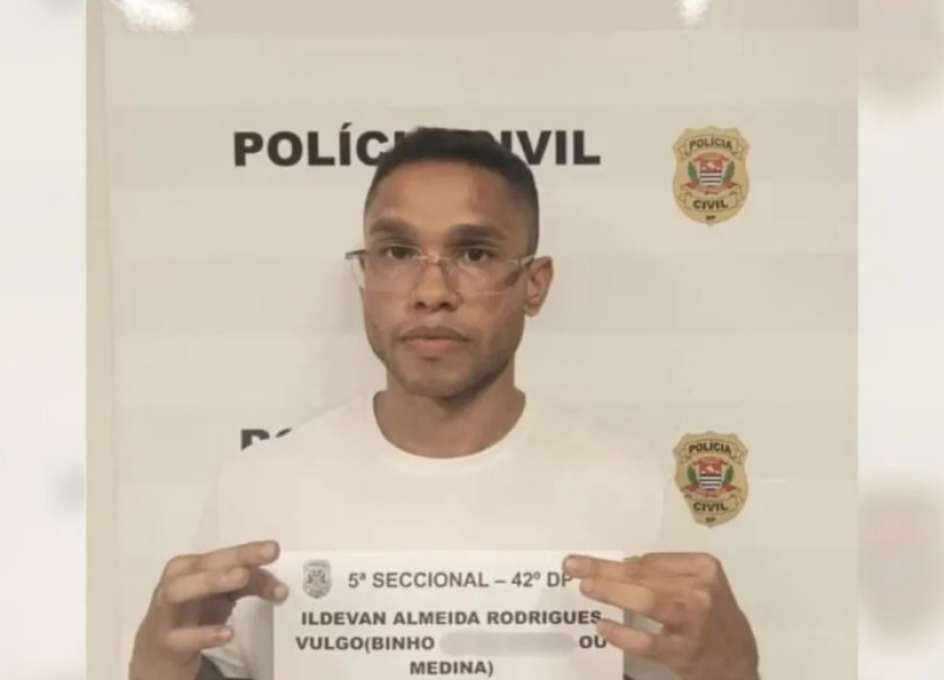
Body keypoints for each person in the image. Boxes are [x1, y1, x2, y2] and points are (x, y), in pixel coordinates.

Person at [128, 127, 759, 680]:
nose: (431, 290)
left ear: (534, 285)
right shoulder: (258, 485)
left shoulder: (629, 489)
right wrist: (155, 666)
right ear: (366, 275)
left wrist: (732, 671)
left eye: (474, 253)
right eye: (398, 253)